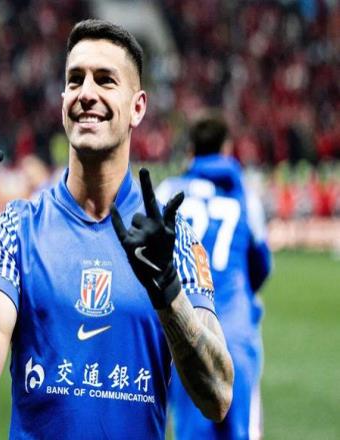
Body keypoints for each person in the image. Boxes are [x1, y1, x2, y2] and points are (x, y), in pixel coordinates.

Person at [0, 20, 234, 439]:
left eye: (105, 80)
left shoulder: (172, 240)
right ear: (63, 100)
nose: (86, 93)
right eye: (75, 79)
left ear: (137, 107)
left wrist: (168, 290)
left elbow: (217, 395)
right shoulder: (19, 226)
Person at [156, 115, 272, 440]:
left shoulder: (168, 192)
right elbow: (261, 266)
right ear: (227, 149)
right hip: (235, 329)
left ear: (190, 151)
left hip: (186, 330)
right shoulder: (245, 197)